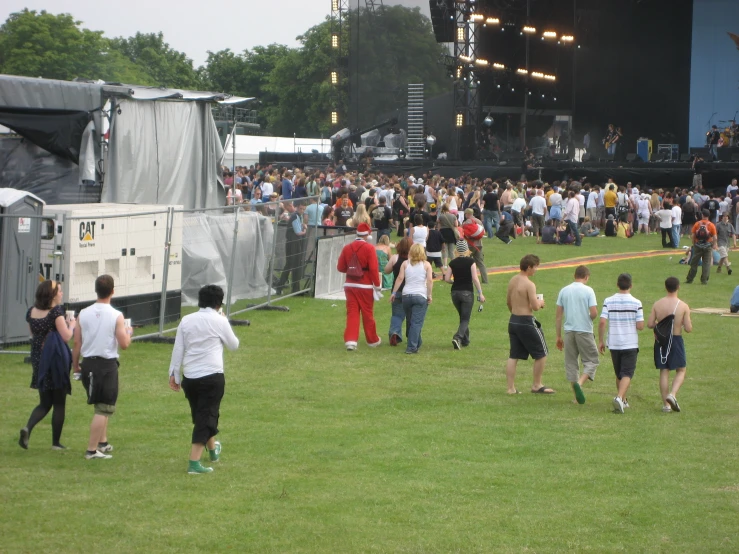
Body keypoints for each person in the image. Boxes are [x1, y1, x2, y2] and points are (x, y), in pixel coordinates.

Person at [168, 285, 240, 474]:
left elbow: (178, 349)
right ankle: (194, 463)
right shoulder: (219, 320)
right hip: (212, 377)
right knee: (206, 418)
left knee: (201, 414)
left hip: (190, 378)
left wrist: (174, 375)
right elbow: (234, 345)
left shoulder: (187, 320)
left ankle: (213, 451)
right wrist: (225, 322)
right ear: (219, 303)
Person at [73, 275, 132, 460]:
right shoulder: (116, 315)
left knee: (100, 404)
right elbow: (124, 344)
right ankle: (91, 450)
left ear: (96, 290)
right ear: (113, 291)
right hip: (106, 365)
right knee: (104, 407)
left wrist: (75, 366)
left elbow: (76, 343)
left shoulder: (83, 313)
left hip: (88, 362)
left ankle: (102, 442)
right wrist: (129, 333)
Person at [18, 280, 75, 451]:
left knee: (44, 402)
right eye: (59, 291)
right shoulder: (55, 313)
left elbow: (33, 334)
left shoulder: (32, 312)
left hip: (38, 359)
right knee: (59, 402)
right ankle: (56, 443)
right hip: (55, 360)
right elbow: (66, 336)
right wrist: (71, 324)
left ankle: (28, 427)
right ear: (52, 295)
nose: (61, 293)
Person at [505, 255, 553, 395]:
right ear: (529, 267)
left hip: (513, 320)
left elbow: (508, 301)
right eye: (535, 267)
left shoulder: (512, 280)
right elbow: (535, 306)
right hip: (526, 321)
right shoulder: (529, 284)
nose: (536, 270)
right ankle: (537, 385)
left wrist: (515, 313)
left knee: (514, 355)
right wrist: (541, 303)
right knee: (541, 353)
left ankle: (510, 388)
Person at [598, 273, 644, 414]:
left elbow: (602, 321)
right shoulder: (637, 303)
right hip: (630, 342)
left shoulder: (608, 300)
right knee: (627, 373)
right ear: (631, 285)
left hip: (614, 342)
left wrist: (601, 340)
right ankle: (619, 397)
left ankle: (623, 400)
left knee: (619, 373)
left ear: (617, 285)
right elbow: (640, 326)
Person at [647, 277, 692, 413]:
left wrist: (660, 326)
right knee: (681, 369)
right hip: (676, 339)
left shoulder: (658, 304)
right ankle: (672, 394)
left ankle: (666, 405)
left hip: (661, 341)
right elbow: (689, 328)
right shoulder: (683, 306)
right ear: (678, 287)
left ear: (665, 287)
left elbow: (650, 324)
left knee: (664, 370)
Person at [555, 266, 599, 405]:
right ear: (586, 277)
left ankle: (575, 397)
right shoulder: (588, 290)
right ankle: (579, 383)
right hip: (584, 330)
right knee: (592, 360)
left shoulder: (564, 290)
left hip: (569, 331)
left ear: (574, 275)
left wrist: (558, 336)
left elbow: (558, 316)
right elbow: (594, 312)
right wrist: (589, 318)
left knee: (571, 363)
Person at [337, 222, 382, 351]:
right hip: (365, 286)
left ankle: (351, 341)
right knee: (367, 314)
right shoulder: (369, 248)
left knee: (352, 312)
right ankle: (372, 340)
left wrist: (352, 269)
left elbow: (340, 267)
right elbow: (373, 269)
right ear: (368, 235)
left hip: (349, 285)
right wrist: (377, 286)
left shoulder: (347, 248)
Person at [391, 243, 433, 354]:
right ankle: (412, 347)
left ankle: (416, 342)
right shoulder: (426, 265)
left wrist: (394, 293)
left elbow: (400, 278)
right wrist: (429, 295)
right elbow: (429, 281)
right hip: (420, 295)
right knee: (416, 323)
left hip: (406, 295)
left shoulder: (405, 263)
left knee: (411, 322)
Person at [443, 240, 485, 350]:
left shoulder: (452, 262)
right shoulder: (471, 262)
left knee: (462, 316)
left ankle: (465, 340)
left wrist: (454, 282)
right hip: (467, 292)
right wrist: (480, 293)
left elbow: (447, 279)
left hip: (455, 292)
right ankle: (458, 337)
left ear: (457, 250)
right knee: (465, 318)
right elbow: (475, 279)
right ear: (467, 249)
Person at [274, 202, 307, 295]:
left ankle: (293, 288)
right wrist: (304, 230)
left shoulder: (297, 216)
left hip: (293, 242)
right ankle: (283, 287)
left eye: (304, 209)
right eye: (301, 208)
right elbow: (298, 232)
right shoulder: (295, 216)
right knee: (291, 265)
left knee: (292, 265)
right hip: (293, 243)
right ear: (297, 208)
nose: (302, 211)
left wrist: (302, 227)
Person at [385, 237, 411, 346]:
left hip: (397, 290)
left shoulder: (395, 258)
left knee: (396, 315)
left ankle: (395, 332)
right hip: (410, 290)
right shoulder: (413, 259)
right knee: (411, 315)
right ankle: (411, 335)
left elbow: (386, 270)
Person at [686, 209, 717, 285]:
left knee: (694, 263)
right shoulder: (711, 225)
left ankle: (690, 279)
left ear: (702, 215)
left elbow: (693, 235)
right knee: (706, 263)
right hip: (707, 246)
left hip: (698, 245)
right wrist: (714, 244)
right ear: (708, 216)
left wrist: (694, 243)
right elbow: (715, 237)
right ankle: (704, 280)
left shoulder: (697, 224)